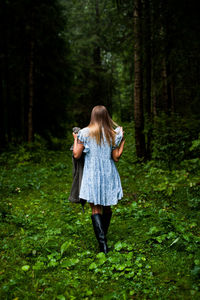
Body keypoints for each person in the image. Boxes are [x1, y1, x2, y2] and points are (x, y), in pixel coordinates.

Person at [72, 105, 125, 253]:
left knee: (95, 208)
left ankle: (103, 246)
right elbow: (116, 157)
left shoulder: (84, 133)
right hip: (109, 174)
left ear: (93, 116)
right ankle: (104, 238)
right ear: (106, 116)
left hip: (92, 175)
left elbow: (76, 155)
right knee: (107, 207)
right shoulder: (112, 134)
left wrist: (76, 139)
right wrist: (122, 141)